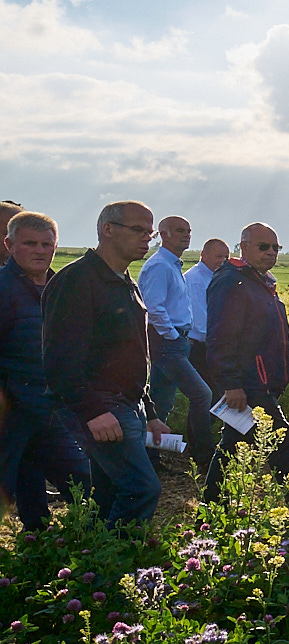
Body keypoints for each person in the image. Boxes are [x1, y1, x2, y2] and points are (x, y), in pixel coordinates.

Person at [40, 200, 168, 525]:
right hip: (101, 404)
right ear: (107, 230)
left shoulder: (124, 281)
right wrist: (93, 412)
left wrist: (150, 412)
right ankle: (117, 569)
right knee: (141, 489)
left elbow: (133, 355)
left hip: (126, 403)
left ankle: (97, 565)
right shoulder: (77, 281)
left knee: (109, 494)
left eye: (149, 233)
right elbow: (60, 360)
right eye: (138, 230)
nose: (146, 239)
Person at [202, 223, 289, 517]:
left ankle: (211, 506)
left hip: (260, 382)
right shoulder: (232, 282)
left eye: (275, 248)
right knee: (281, 442)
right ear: (243, 247)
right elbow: (220, 336)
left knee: (232, 443)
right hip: (248, 383)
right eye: (263, 247)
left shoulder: (259, 281)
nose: (270, 253)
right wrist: (230, 384)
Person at [0, 211, 90, 526]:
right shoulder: (3, 289)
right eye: (30, 243)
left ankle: (45, 545)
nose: (40, 250)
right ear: (9, 244)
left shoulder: (60, 289)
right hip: (12, 411)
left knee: (82, 482)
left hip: (51, 408)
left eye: (46, 244)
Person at [139, 213, 214, 466]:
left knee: (160, 402)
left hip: (175, 342)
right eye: (180, 230)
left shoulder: (171, 264)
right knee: (202, 394)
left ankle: (150, 457)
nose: (186, 235)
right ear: (163, 234)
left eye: (188, 230)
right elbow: (154, 307)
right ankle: (205, 457)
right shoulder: (160, 265)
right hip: (167, 343)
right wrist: (172, 336)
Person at [185, 237, 230, 378]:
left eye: (226, 257)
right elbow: (200, 321)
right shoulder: (196, 280)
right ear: (204, 255)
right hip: (200, 346)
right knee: (209, 393)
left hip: (211, 344)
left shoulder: (215, 277)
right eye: (218, 256)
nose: (222, 261)